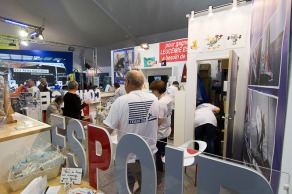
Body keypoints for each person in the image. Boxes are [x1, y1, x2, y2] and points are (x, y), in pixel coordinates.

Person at [103, 71, 159, 193]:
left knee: (125, 189)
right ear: (142, 83)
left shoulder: (121, 101)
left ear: (127, 82)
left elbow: (106, 130)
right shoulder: (154, 99)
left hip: (127, 157)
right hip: (149, 154)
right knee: (147, 189)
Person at [149, 80, 172, 190]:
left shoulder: (161, 103)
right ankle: (162, 173)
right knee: (162, 154)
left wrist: (149, 126)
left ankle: (158, 181)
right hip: (165, 131)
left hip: (159, 132)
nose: (152, 93)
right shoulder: (168, 97)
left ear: (157, 90)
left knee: (157, 156)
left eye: (153, 90)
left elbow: (159, 121)